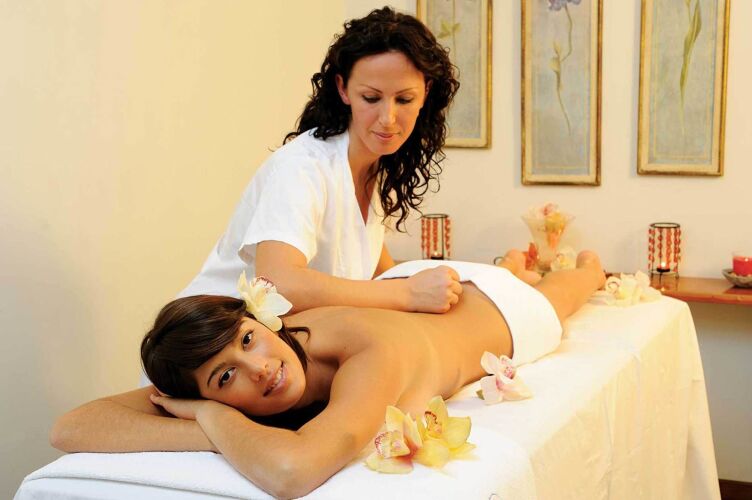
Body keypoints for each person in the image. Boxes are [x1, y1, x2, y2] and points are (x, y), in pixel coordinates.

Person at [50, 250, 606, 498]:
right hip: (418, 291)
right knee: (507, 269)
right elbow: (71, 428)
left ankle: (575, 268)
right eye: (224, 378)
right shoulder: (259, 356)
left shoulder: (368, 354)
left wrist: (212, 416)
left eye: (248, 339)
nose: (260, 368)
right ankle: (510, 261)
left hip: (501, 314)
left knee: (561, 293)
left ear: (258, 320)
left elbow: (292, 472)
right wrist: (209, 416)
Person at [180, 7, 461, 313]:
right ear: (343, 89)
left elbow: (379, 276)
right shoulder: (303, 167)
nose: (388, 118)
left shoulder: (373, 168)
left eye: (404, 99)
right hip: (208, 335)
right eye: (371, 98)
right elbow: (276, 283)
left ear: (425, 93)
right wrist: (407, 293)